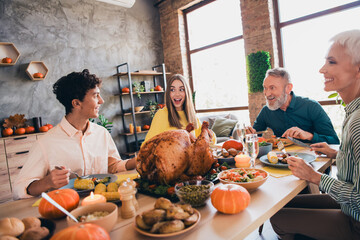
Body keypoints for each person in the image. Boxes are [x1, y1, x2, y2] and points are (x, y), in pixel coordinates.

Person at [270, 30, 360, 239]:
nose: (322, 69)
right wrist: (337, 154)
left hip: (355, 221)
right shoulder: (352, 111)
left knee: (277, 218)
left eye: (332, 62)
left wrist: (314, 177)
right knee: (282, 204)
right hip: (347, 205)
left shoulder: (357, 121)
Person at [13, 69, 136, 199]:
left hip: (105, 203)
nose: (101, 101)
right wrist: (47, 182)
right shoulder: (45, 143)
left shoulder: (102, 133)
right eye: (95, 96)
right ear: (76, 103)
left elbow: (113, 166)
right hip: (68, 210)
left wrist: (137, 161)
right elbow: (19, 189)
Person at [246, 67, 339, 144]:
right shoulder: (266, 111)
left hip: (314, 162)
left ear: (288, 88)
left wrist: (309, 136)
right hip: (281, 161)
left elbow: (334, 141)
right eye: (265, 88)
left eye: (272, 88)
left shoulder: (311, 107)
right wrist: (249, 135)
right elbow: (254, 137)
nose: (267, 93)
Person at [144, 74, 207, 143]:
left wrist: (210, 135)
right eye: (172, 90)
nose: (177, 94)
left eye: (181, 89)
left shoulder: (192, 116)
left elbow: (203, 142)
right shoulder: (161, 114)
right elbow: (146, 145)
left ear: (187, 93)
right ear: (168, 93)